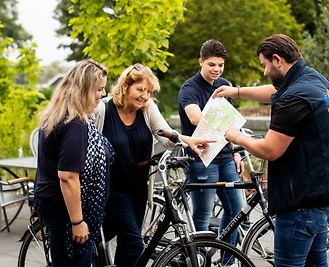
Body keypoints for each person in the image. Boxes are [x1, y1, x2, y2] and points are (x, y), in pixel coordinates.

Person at [214, 33, 329, 266]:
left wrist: (235, 136)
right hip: (326, 195)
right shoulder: (312, 78)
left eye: (264, 65)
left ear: (277, 60)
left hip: (302, 205)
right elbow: (276, 91)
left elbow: (269, 149)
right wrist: (236, 92)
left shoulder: (295, 98)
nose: (264, 71)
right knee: (316, 263)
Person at [94, 63, 214, 267]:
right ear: (125, 87)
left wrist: (188, 141)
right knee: (134, 243)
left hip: (139, 189)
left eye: (148, 91)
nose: (145, 96)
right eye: (140, 89)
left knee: (127, 246)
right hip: (111, 189)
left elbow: (165, 135)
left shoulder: (147, 109)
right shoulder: (103, 109)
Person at [34, 59, 113, 267]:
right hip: (65, 211)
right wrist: (77, 222)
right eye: (99, 89)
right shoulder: (75, 123)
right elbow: (68, 176)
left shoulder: (60, 115)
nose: (103, 94)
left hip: (54, 204)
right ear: (84, 89)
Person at [177, 39, 244, 265]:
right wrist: (223, 117)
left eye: (221, 65)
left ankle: (227, 261)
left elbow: (231, 125)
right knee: (203, 215)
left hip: (225, 157)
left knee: (236, 209)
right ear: (201, 62)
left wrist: (236, 153)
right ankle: (200, 261)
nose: (216, 70)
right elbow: (195, 118)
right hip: (201, 160)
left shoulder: (224, 84)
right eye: (212, 65)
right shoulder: (190, 88)